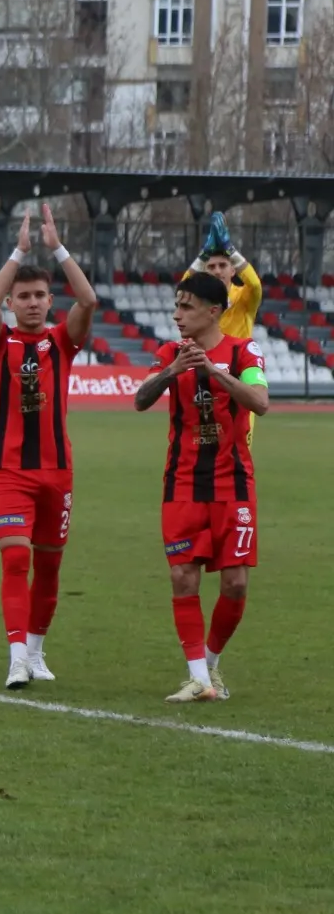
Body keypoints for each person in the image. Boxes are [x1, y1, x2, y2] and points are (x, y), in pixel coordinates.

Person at [133, 272, 270, 703]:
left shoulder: (244, 351)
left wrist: (214, 372)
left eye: (186, 306)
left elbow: (260, 403)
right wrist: (173, 371)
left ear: (214, 312)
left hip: (234, 484)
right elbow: (140, 399)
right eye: (176, 305)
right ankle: (198, 679)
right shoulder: (168, 352)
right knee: (182, 574)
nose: (177, 315)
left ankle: (209, 665)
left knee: (235, 585)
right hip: (184, 483)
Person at [0, 204, 97, 690]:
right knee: (15, 558)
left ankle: (36, 651)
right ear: (12, 302)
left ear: (50, 301)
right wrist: (18, 253)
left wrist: (58, 249)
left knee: (48, 567)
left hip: (57, 474)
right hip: (8, 473)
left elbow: (87, 301)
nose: (30, 303)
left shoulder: (62, 343)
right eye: (22, 296)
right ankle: (15, 658)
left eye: (39, 296)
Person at [183, 212, 263, 443]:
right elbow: (182, 288)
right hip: (207, 374)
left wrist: (230, 248)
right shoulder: (201, 301)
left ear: (232, 270)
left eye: (222, 265)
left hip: (238, 375)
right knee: (206, 446)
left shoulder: (244, 298)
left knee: (239, 446)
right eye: (211, 267)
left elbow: (255, 284)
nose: (217, 270)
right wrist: (202, 255)